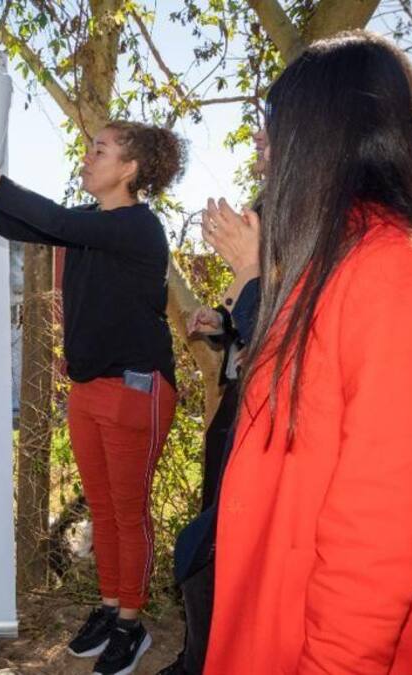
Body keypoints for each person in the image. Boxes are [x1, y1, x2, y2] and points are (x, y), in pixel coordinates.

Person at [205, 31, 412, 674]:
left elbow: (381, 531)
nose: (261, 148)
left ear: (322, 134)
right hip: (280, 620)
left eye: (272, 128)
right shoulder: (337, 264)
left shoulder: (397, 272)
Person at [0, 118, 183, 675]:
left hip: (136, 388)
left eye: (100, 150)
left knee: (129, 514)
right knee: (103, 510)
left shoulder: (137, 228)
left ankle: (132, 623)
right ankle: (108, 607)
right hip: (88, 389)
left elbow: (46, 216)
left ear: (129, 168)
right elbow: (21, 223)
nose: (88, 155)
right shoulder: (87, 224)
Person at [156, 131, 265, 675]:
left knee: (214, 543)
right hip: (237, 406)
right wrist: (219, 324)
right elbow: (255, 311)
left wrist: (247, 283)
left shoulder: (314, 216)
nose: (261, 137)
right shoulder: (270, 207)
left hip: (268, 413)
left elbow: (283, 318)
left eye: (274, 126)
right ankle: (198, 655)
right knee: (207, 536)